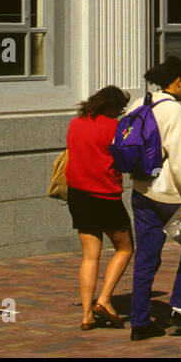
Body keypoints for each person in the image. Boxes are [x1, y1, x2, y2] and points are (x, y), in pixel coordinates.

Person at [129, 56, 181, 341]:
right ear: (178, 81)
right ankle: (180, 307)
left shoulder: (140, 103)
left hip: (141, 191)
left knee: (146, 258)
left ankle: (140, 322)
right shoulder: (173, 110)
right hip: (168, 196)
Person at [65, 85, 134, 331]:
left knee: (90, 255)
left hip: (78, 195)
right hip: (105, 195)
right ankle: (104, 300)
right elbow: (126, 161)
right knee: (125, 248)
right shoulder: (115, 128)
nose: (120, 113)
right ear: (112, 107)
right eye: (119, 108)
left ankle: (86, 315)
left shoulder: (76, 123)